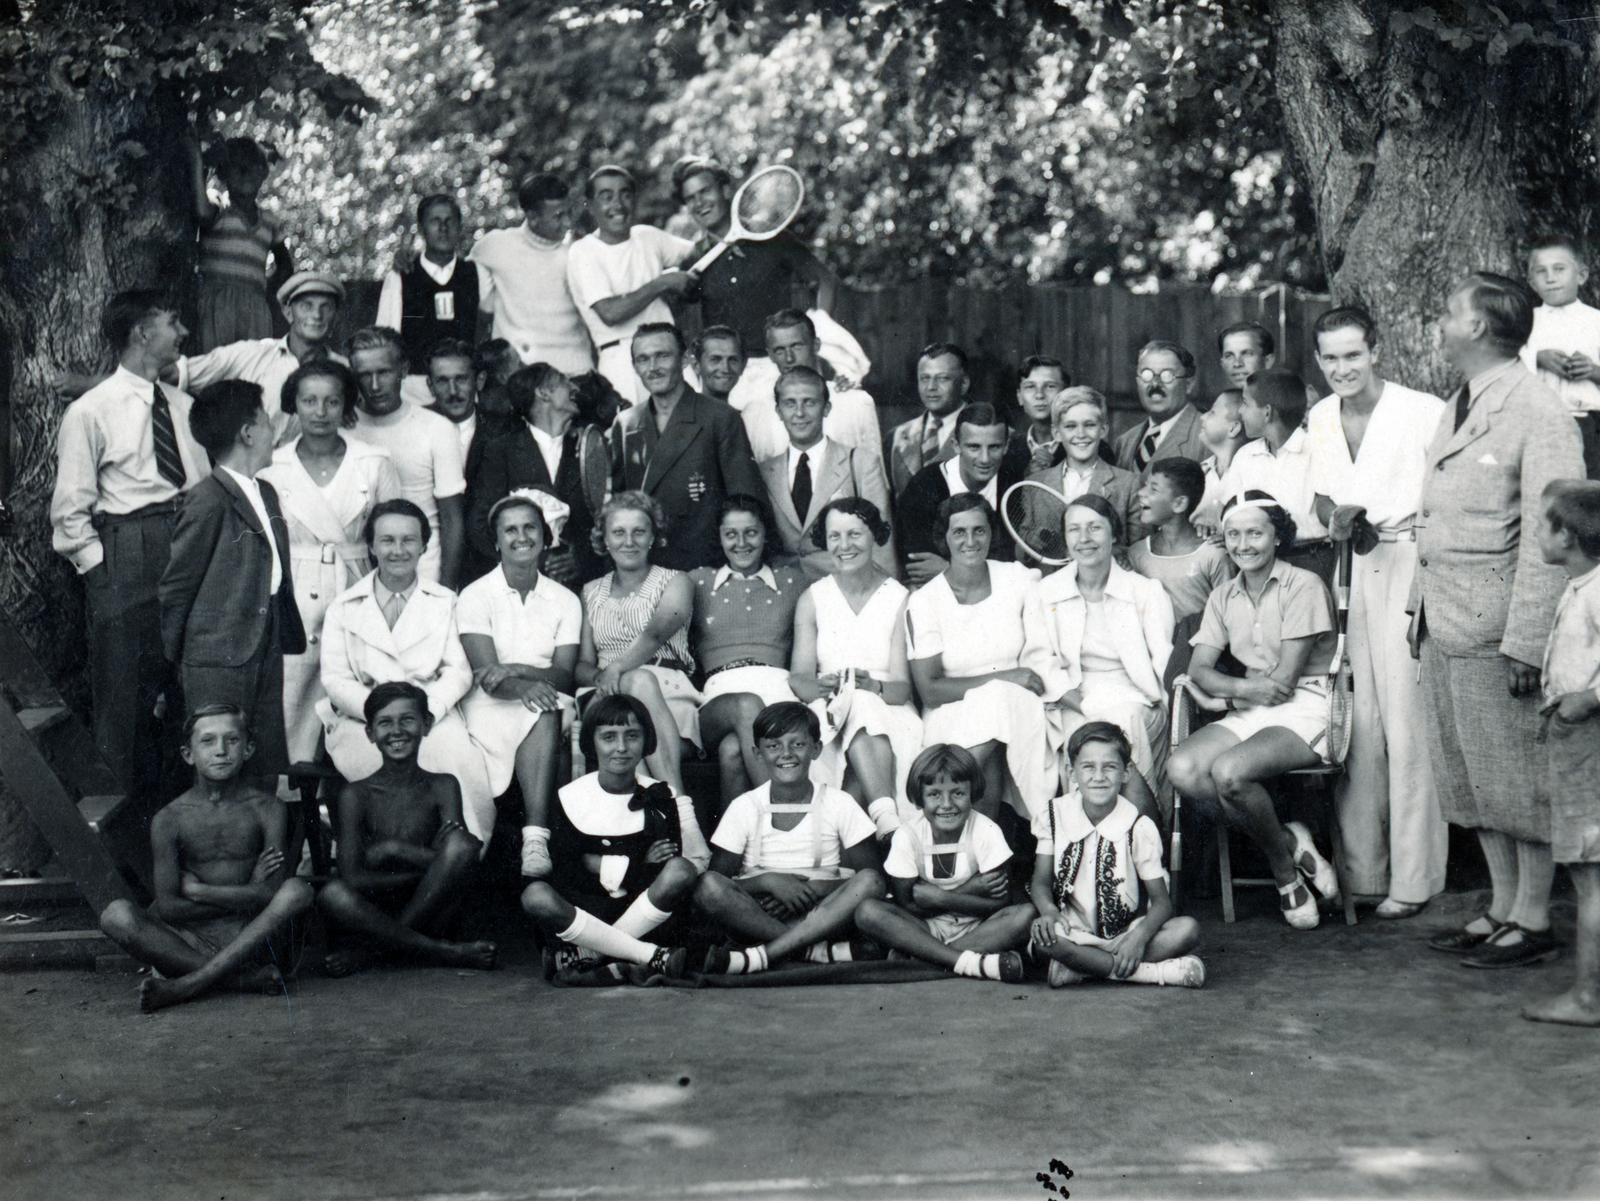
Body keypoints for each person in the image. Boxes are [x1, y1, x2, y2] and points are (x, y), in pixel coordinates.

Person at [1415, 272, 1582, 968]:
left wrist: (1527, 642)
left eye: (1451, 311)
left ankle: (1535, 918)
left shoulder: (1538, 410)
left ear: (1480, 327)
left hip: (1496, 631)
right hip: (1444, 622)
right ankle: (1502, 905)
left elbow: (1555, 537)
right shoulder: (1460, 401)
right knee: (1471, 778)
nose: (1442, 321)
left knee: (1516, 777)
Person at [1305, 306, 1447, 918]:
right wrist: (1331, 513)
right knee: (1356, 719)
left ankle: (1415, 880)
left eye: (1353, 355)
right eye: (1331, 358)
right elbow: (1319, 495)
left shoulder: (1423, 409)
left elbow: (1448, 496)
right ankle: (1364, 872)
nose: (1343, 368)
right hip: (1353, 566)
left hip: (1416, 561)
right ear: (1318, 361)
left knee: (1409, 724)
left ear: (1376, 350)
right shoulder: (1318, 416)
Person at [51, 290, 209, 798]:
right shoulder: (91, 411)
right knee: (123, 706)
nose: (182, 333)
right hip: (127, 552)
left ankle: (189, 828)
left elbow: (203, 487)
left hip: (188, 545)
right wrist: (102, 575)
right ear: (142, 333)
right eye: (173, 321)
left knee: (193, 694)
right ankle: (121, 854)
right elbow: (70, 511)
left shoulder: (185, 408)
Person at [1167, 494, 1342, 930]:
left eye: (1255, 533)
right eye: (1234, 534)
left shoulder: (1304, 585)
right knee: (1183, 769)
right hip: (1252, 706)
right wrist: (1240, 694)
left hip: (1309, 706)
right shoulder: (1224, 595)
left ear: (1278, 537)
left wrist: (1227, 693)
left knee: (1228, 773)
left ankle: (1285, 878)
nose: (1244, 544)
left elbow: (1284, 683)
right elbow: (1199, 670)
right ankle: (1286, 840)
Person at [98, 704, 312, 1012]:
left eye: (232, 740)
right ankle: (243, 981)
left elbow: (272, 893)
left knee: (297, 890)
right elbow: (169, 907)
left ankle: (188, 985)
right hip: (189, 943)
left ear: (248, 748)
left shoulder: (267, 808)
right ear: (188, 754)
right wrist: (249, 890)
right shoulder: (170, 818)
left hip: (255, 935)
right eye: (208, 741)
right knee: (115, 915)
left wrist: (201, 891)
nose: (221, 751)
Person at [318, 500, 495, 843]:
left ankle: (460, 859)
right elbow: (335, 679)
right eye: (387, 540)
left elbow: (458, 671)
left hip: (430, 716)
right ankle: (387, 860)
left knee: (451, 755)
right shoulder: (343, 607)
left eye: (408, 540)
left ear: (424, 546)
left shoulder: (446, 602)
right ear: (371, 545)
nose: (398, 550)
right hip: (363, 722)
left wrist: (422, 712)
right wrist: (381, 713)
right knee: (379, 769)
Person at [159, 380, 306, 781]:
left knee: (263, 756)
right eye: (266, 421)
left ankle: (262, 842)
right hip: (217, 655)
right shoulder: (208, 498)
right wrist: (174, 665)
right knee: (220, 763)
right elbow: (178, 587)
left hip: (266, 638)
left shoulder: (267, 493)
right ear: (247, 432)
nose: (273, 430)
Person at [259, 360, 401, 766]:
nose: (320, 412)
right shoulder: (273, 465)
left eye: (331, 401)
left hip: (358, 586)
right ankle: (295, 803)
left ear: (345, 406)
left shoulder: (373, 460)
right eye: (309, 401)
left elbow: (393, 534)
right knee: (295, 698)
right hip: (293, 594)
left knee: (362, 691)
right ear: (294, 406)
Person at [316, 682, 498, 977]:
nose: (397, 731)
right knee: (332, 894)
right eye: (385, 723)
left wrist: (394, 850)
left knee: (462, 845)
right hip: (375, 912)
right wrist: (433, 868)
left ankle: (374, 954)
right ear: (370, 733)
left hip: (435, 909)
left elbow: (462, 858)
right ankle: (441, 952)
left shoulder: (443, 785)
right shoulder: (356, 795)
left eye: (408, 720)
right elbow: (352, 877)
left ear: (426, 726)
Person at [519, 695, 702, 985]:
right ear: (592, 743)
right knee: (535, 895)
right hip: (584, 912)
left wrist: (598, 862)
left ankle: (590, 953)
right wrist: (636, 863)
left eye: (632, 736)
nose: (621, 747)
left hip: (641, 912)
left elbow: (664, 867)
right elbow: (566, 873)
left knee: (681, 870)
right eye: (608, 737)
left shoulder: (659, 796)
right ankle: (644, 954)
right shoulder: (569, 797)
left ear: (646, 741)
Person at [695, 702, 887, 974]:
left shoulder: (839, 803)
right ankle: (813, 951)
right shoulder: (745, 806)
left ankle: (768, 954)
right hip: (760, 916)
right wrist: (768, 882)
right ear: (757, 753)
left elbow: (874, 879)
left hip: (822, 914)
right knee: (708, 887)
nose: (786, 754)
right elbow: (718, 880)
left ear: (816, 749)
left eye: (797, 744)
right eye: (773, 746)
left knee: (868, 882)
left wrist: (815, 889)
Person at [906, 494, 1058, 821]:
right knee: (993, 706)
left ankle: (949, 799)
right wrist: (1005, 676)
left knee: (998, 702)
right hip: (950, 712)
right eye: (959, 532)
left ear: (991, 534)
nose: (971, 541)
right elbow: (931, 690)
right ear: (944, 538)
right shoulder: (924, 601)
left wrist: (1009, 683)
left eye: (979, 530)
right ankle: (986, 851)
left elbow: (1041, 653)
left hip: (1018, 705)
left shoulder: (1018, 579)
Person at [458, 490, 582, 880]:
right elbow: (486, 676)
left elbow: (564, 674)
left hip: (546, 697)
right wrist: (522, 684)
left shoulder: (564, 599)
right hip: (488, 704)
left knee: (547, 709)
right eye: (509, 530)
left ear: (545, 538)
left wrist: (518, 670)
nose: (521, 536)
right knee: (543, 707)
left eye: (530, 527)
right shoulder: (475, 595)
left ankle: (536, 839)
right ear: (496, 542)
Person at [1028, 722, 1205, 988]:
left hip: (1124, 936)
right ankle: (1154, 974)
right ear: (1071, 772)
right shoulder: (1054, 815)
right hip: (1071, 932)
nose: (1098, 776)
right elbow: (1040, 882)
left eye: (1110, 767)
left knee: (1187, 930)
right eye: (1088, 767)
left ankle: (1081, 968)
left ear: (1126, 772)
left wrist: (1140, 938)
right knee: (1046, 940)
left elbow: (1162, 903)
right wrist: (1050, 911)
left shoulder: (1138, 826)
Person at [789, 498, 923, 837]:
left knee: (862, 706)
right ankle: (887, 824)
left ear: (875, 536)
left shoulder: (899, 598)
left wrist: (870, 687)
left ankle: (851, 844)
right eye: (834, 536)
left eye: (855, 534)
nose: (844, 546)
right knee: (853, 713)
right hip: (827, 711)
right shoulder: (813, 598)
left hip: (888, 710)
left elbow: (902, 689)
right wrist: (822, 687)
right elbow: (800, 679)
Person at [1037, 494, 1172, 819]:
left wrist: (1164, 702)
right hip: (1073, 702)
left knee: (1120, 724)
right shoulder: (1045, 592)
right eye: (1074, 530)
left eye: (1095, 528)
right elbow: (1040, 662)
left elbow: (1164, 663)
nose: (1084, 539)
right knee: (1085, 740)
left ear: (1114, 534)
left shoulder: (1146, 591)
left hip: (1137, 702)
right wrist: (1084, 706)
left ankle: (1148, 846)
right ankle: (1091, 849)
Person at [852, 744, 1033, 981]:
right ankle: (968, 962)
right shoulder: (908, 835)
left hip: (979, 928)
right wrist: (968, 891)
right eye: (934, 794)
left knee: (1025, 914)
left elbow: (999, 903)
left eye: (957, 793)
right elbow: (907, 905)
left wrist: (942, 897)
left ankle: (922, 961)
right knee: (867, 911)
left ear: (972, 794)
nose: (946, 804)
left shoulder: (987, 831)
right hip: (923, 929)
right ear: (919, 798)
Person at [1524, 480, 1600, 1026]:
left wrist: (1590, 697)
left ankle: (1589, 998)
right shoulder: (1582, 584)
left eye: (1542, 525)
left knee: (1590, 876)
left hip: (1588, 741)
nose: (1536, 535)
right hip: (1577, 738)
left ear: (1567, 536)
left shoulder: (1595, 592)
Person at [576, 491, 702, 798]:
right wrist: (602, 680)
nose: (628, 541)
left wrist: (616, 669)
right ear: (604, 540)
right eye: (618, 532)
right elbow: (582, 664)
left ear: (653, 538)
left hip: (668, 693)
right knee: (628, 723)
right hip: (607, 695)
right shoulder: (590, 591)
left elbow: (656, 634)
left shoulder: (676, 581)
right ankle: (679, 814)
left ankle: (665, 817)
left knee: (639, 685)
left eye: (639, 532)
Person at [608, 323, 764, 570]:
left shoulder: (720, 418)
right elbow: (618, 505)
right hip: (644, 568)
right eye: (643, 359)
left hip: (704, 566)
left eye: (663, 356)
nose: (653, 368)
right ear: (635, 367)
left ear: (684, 359)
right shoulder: (626, 423)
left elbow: (744, 502)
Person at [689, 496, 808, 806]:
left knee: (732, 752)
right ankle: (788, 813)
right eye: (731, 534)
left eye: (751, 532)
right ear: (718, 536)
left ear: (766, 533)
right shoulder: (698, 581)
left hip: (777, 689)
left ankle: (742, 850)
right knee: (746, 706)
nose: (741, 543)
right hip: (720, 699)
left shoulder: (793, 580)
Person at [676, 156, 835, 366]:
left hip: (781, 367)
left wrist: (820, 326)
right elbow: (680, 318)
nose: (699, 202)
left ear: (725, 190)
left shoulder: (771, 236)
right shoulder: (692, 259)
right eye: (690, 198)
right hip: (729, 375)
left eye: (705, 191)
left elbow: (825, 280)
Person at [469, 362, 609, 587]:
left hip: (584, 585)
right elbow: (480, 524)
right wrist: (526, 560)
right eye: (565, 381)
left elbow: (605, 517)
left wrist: (581, 557)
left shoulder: (590, 446)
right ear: (543, 393)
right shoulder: (501, 450)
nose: (574, 388)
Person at [347, 326, 467, 587]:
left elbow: (452, 520)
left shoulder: (437, 428)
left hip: (423, 569)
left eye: (384, 372)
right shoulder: (344, 429)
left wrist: (444, 591)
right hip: (360, 570)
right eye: (365, 375)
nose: (375, 385)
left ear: (403, 370)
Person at [565, 164, 696, 402]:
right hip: (621, 363)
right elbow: (610, 313)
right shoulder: (583, 252)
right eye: (606, 197)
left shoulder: (647, 236)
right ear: (590, 205)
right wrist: (662, 283)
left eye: (625, 194)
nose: (617, 204)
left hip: (670, 355)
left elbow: (696, 254)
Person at [173, 271, 347, 445]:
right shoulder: (252, 354)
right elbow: (179, 373)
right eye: (306, 306)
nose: (317, 315)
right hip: (253, 469)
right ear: (288, 312)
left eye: (326, 307)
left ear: (336, 317)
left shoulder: (346, 371)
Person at [759, 365, 895, 580]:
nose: (800, 413)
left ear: (826, 408)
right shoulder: (765, 471)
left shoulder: (860, 463)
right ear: (778, 411)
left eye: (809, 402)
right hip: (784, 589)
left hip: (844, 588)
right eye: (790, 403)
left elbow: (882, 543)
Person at [468, 172, 593, 375]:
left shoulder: (579, 250)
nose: (568, 222)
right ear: (533, 218)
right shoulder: (495, 246)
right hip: (521, 379)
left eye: (569, 213)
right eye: (559, 216)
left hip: (577, 374)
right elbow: (457, 284)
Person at [897, 401, 1031, 585]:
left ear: (1006, 446)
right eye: (974, 447)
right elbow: (920, 567)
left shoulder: (1014, 482)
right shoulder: (924, 485)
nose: (984, 459)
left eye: (994, 447)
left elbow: (1012, 561)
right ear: (956, 445)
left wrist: (947, 569)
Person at [376, 194, 491, 406]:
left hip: (461, 390)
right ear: (421, 229)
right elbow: (385, 342)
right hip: (415, 391)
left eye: (450, 221)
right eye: (435, 221)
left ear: (460, 226)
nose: (443, 228)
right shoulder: (401, 277)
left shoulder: (476, 274)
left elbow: (490, 325)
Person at [733, 309, 884, 464]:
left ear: (816, 345)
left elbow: (874, 476)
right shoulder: (755, 413)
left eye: (797, 346)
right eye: (780, 350)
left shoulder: (854, 403)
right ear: (770, 355)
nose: (789, 358)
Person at [1014, 387, 1140, 569]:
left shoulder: (1129, 484)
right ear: (1057, 433)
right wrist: (1032, 543)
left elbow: (1138, 551)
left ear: (1103, 429)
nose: (1080, 434)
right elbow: (1022, 552)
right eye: (1070, 426)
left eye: (1089, 425)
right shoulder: (1035, 484)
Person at [1221, 369, 1330, 575]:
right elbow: (1230, 512)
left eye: (1245, 403)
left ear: (1267, 412)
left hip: (1310, 561)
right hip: (1257, 564)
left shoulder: (1316, 451)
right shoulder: (1245, 456)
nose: (1240, 412)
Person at [188, 136, 291, 350]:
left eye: (252, 166)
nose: (245, 173)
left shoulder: (269, 221)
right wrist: (198, 163)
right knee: (218, 365)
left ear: (263, 173)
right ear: (223, 173)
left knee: (251, 367)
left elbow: (285, 265)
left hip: (254, 307)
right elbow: (202, 213)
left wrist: (263, 290)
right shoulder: (219, 205)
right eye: (236, 167)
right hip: (217, 303)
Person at [1521, 233, 1600, 477]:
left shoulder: (1596, 321)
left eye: (1559, 269)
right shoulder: (1524, 322)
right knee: (1545, 486)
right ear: (1532, 282)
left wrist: (1594, 370)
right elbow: (1504, 365)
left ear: (1581, 275)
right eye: (1541, 272)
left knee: (1589, 491)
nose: (1551, 278)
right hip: (1539, 422)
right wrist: (1537, 358)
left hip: (1591, 424)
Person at [1128, 457, 1234, 626]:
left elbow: (1228, 617)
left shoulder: (1213, 554)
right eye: (1145, 485)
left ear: (1179, 503)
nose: (1141, 493)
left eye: (1153, 489)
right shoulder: (1136, 554)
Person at [1113, 341, 1209, 485]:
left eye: (1167, 375)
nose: (1155, 384)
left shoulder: (1206, 437)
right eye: (1147, 374)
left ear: (1189, 384)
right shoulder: (1125, 441)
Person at [887, 342, 970, 496]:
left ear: (964, 383)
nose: (931, 387)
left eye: (943, 378)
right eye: (924, 378)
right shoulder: (896, 437)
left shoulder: (991, 434)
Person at [1192, 389, 1247, 535]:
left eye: (1212, 412)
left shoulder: (1252, 474)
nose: (1202, 417)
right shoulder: (1198, 473)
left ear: (1233, 428)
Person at [1016, 355, 1071, 472]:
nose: (1039, 395)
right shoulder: (1010, 448)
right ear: (1019, 397)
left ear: (1066, 393)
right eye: (1030, 386)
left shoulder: (1086, 446)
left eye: (1050, 386)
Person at [694, 325, 748, 405]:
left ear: (743, 366)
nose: (725, 369)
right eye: (715, 359)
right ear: (697, 365)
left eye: (732, 360)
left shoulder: (743, 416)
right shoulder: (682, 415)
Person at [1217, 321, 1276, 391]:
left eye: (1246, 354)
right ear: (1222, 363)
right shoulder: (1225, 400)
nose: (1237, 364)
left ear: (1268, 361)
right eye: (1229, 356)